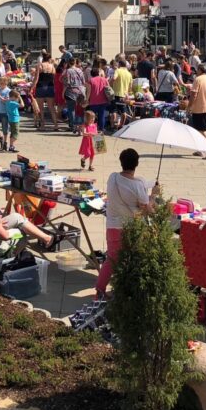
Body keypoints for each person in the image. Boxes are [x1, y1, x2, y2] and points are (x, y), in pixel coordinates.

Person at [96, 148, 160, 297]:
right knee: (133, 259)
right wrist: (154, 195)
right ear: (136, 164)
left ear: (121, 162)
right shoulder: (138, 186)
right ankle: (126, 290)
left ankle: (100, 290)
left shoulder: (113, 177)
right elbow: (147, 210)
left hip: (112, 226)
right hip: (131, 228)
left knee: (111, 259)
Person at [0, 174, 53, 257]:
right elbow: (5, 236)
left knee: (17, 217)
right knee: (21, 233)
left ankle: (46, 238)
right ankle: (12, 260)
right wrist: (14, 230)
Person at [31, 53, 59, 131]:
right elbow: (54, 78)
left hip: (40, 87)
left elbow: (36, 79)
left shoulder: (40, 66)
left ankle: (43, 125)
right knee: (52, 108)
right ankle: (56, 125)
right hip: (50, 87)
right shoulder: (52, 66)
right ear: (49, 58)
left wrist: (32, 88)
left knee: (41, 108)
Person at [109, 59, 132, 130]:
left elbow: (114, 78)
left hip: (116, 93)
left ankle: (113, 126)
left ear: (119, 64)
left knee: (113, 110)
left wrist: (109, 84)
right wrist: (128, 94)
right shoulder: (129, 73)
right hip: (124, 95)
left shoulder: (118, 71)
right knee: (123, 111)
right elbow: (130, 86)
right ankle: (121, 125)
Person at [86, 67, 111, 131]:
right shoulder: (104, 79)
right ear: (98, 73)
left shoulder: (90, 80)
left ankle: (92, 129)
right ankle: (101, 129)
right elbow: (109, 89)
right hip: (103, 100)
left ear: (92, 74)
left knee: (92, 116)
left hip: (93, 101)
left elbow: (88, 92)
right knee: (101, 115)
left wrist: (87, 100)